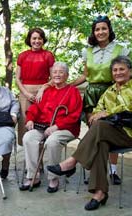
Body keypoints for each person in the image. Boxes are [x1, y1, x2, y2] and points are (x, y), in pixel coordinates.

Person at [47, 56, 132, 210]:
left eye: (122, 69)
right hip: (110, 132)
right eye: (115, 70)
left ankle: (72, 162)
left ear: (130, 71)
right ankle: (99, 193)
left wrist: (107, 112)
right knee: (100, 143)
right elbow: (96, 111)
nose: (118, 72)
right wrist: (98, 114)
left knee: (100, 126)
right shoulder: (110, 90)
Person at [37, 16, 129, 184]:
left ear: (109, 30)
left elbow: (126, 73)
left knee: (110, 130)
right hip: (92, 93)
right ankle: (96, 170)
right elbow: (85, 76)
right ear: (94, 32)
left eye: (104, 28)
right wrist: (67, 85)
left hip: (112, 92)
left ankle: (113, 171)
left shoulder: (120, 50)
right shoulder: (88, 51)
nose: (100, 32)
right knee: (95, 132)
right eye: (97, 29)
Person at [19, 62, 82, 192]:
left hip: (65, 128)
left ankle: (53, 177)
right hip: (43, 126)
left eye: (61, 72)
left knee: (52, 141)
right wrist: (30, 119)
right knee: (28, 137)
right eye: (54, 72)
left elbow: (74, 116)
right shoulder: (46, 90)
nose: (57, 74)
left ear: (67, 75)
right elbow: (35, 107)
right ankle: (32, 176)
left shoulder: (73, 91)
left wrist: (57, 127)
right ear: (51, 75)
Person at [15, 27, 55, 146]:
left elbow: (54, 78)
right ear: (29, 39)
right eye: (34, 38)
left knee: (41, 122)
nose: (37, 41)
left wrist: (43, 89)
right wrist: (26, 93)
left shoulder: (48, 55)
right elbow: (17, 78)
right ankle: (29, 160)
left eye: (39, 38)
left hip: (44, 92)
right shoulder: (22, 56)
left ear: (43, 40)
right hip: (25, 91)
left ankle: (40, 160)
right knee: (26, 122)